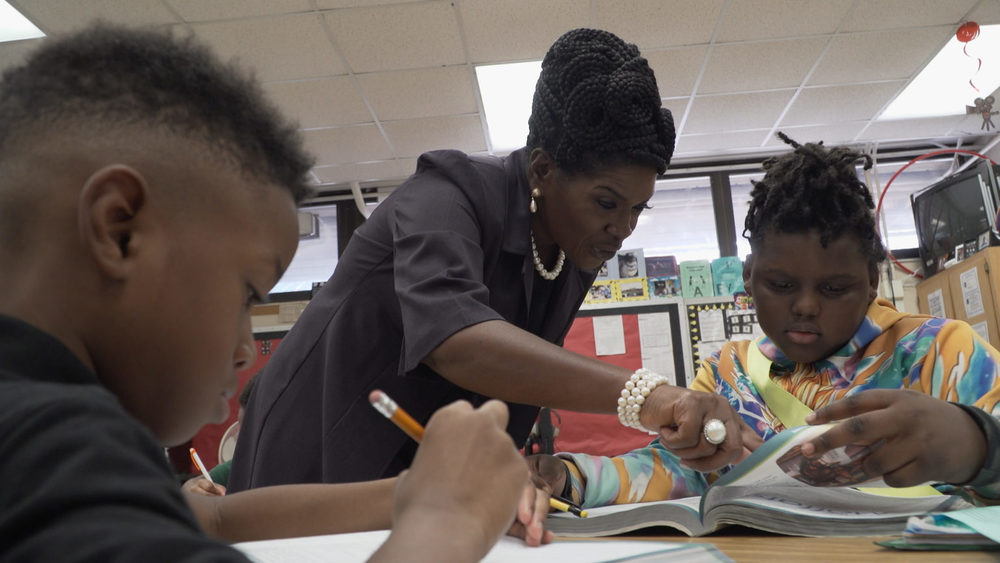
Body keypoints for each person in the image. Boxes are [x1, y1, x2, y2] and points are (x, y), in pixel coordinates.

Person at [0, 23, 546, 561]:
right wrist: (450, 521)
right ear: (120, 231)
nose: (246, 350)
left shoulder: (61, 442)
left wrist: (418, 492)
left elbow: (217, 518)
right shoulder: (43, 451)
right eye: (246, 295)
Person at [231, 27, 748, 493]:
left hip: (415, 467)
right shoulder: (445, 195)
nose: (624, 227)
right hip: (314, 447)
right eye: (607, 203)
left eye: (638, 208)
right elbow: (456, 342)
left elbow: (514, 382)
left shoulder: (574, 248)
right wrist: (649, 396)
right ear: (542, 170)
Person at [526, 133, 1000, 508]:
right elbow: (678, 469)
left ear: (872, 282)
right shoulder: (727, 374)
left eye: (834, 289)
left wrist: (977, 444)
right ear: (749, 279)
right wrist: (569, 476)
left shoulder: (938, 351)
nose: (806, 306)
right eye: (781, 284)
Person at [183, 373, 260, 495]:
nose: (237, 439)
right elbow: (194, 487)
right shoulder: (240, 466)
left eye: (248, 431)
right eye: (240, 428)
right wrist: (192, 488)